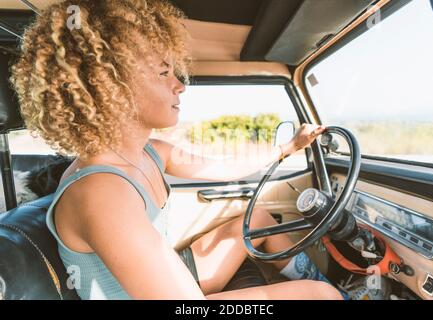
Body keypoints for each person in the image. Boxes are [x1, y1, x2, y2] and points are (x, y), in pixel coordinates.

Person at [11, 0, 342, 300]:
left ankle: (335, 290)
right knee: (318, 296)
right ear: (111, 86)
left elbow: (224, 168)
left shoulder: (151, 152)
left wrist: (288, 147)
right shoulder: (101, 192)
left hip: (166, 283)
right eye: (163, 72)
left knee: (258, 218)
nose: (180, 84)